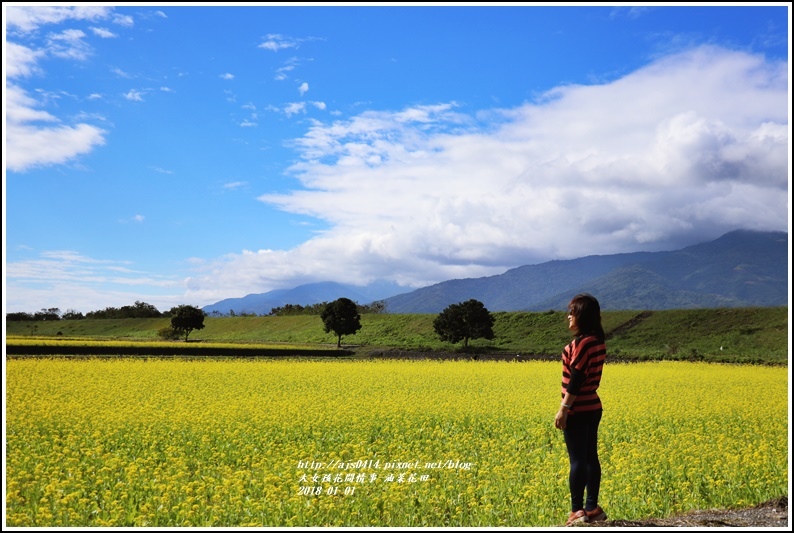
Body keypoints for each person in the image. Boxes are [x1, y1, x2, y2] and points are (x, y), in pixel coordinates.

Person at [554, 293, 608, 526]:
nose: (568, 316)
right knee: (590, 459)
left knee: (577, 461)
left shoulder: (582, 344)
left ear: (582, 316)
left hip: (578, 408)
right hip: (593, 405)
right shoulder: (597, 341)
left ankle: (577, 511)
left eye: (572, 312)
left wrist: (564, 409)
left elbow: (576, 379)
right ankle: (592, 507)